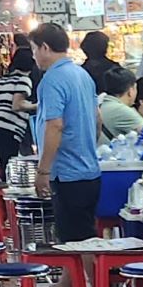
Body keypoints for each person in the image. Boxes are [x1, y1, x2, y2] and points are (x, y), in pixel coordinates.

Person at [30, 21, 103, 243]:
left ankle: (90, 269)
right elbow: (97, 120)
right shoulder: (82, 75)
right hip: (89, 171)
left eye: (34, 49)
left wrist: (43, 171)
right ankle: (88, 267)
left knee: (75, 242)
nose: (33, 56)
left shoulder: (52, 80)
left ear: (44, 47)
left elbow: (55, 125)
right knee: (84, 236)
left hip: (67, 174)